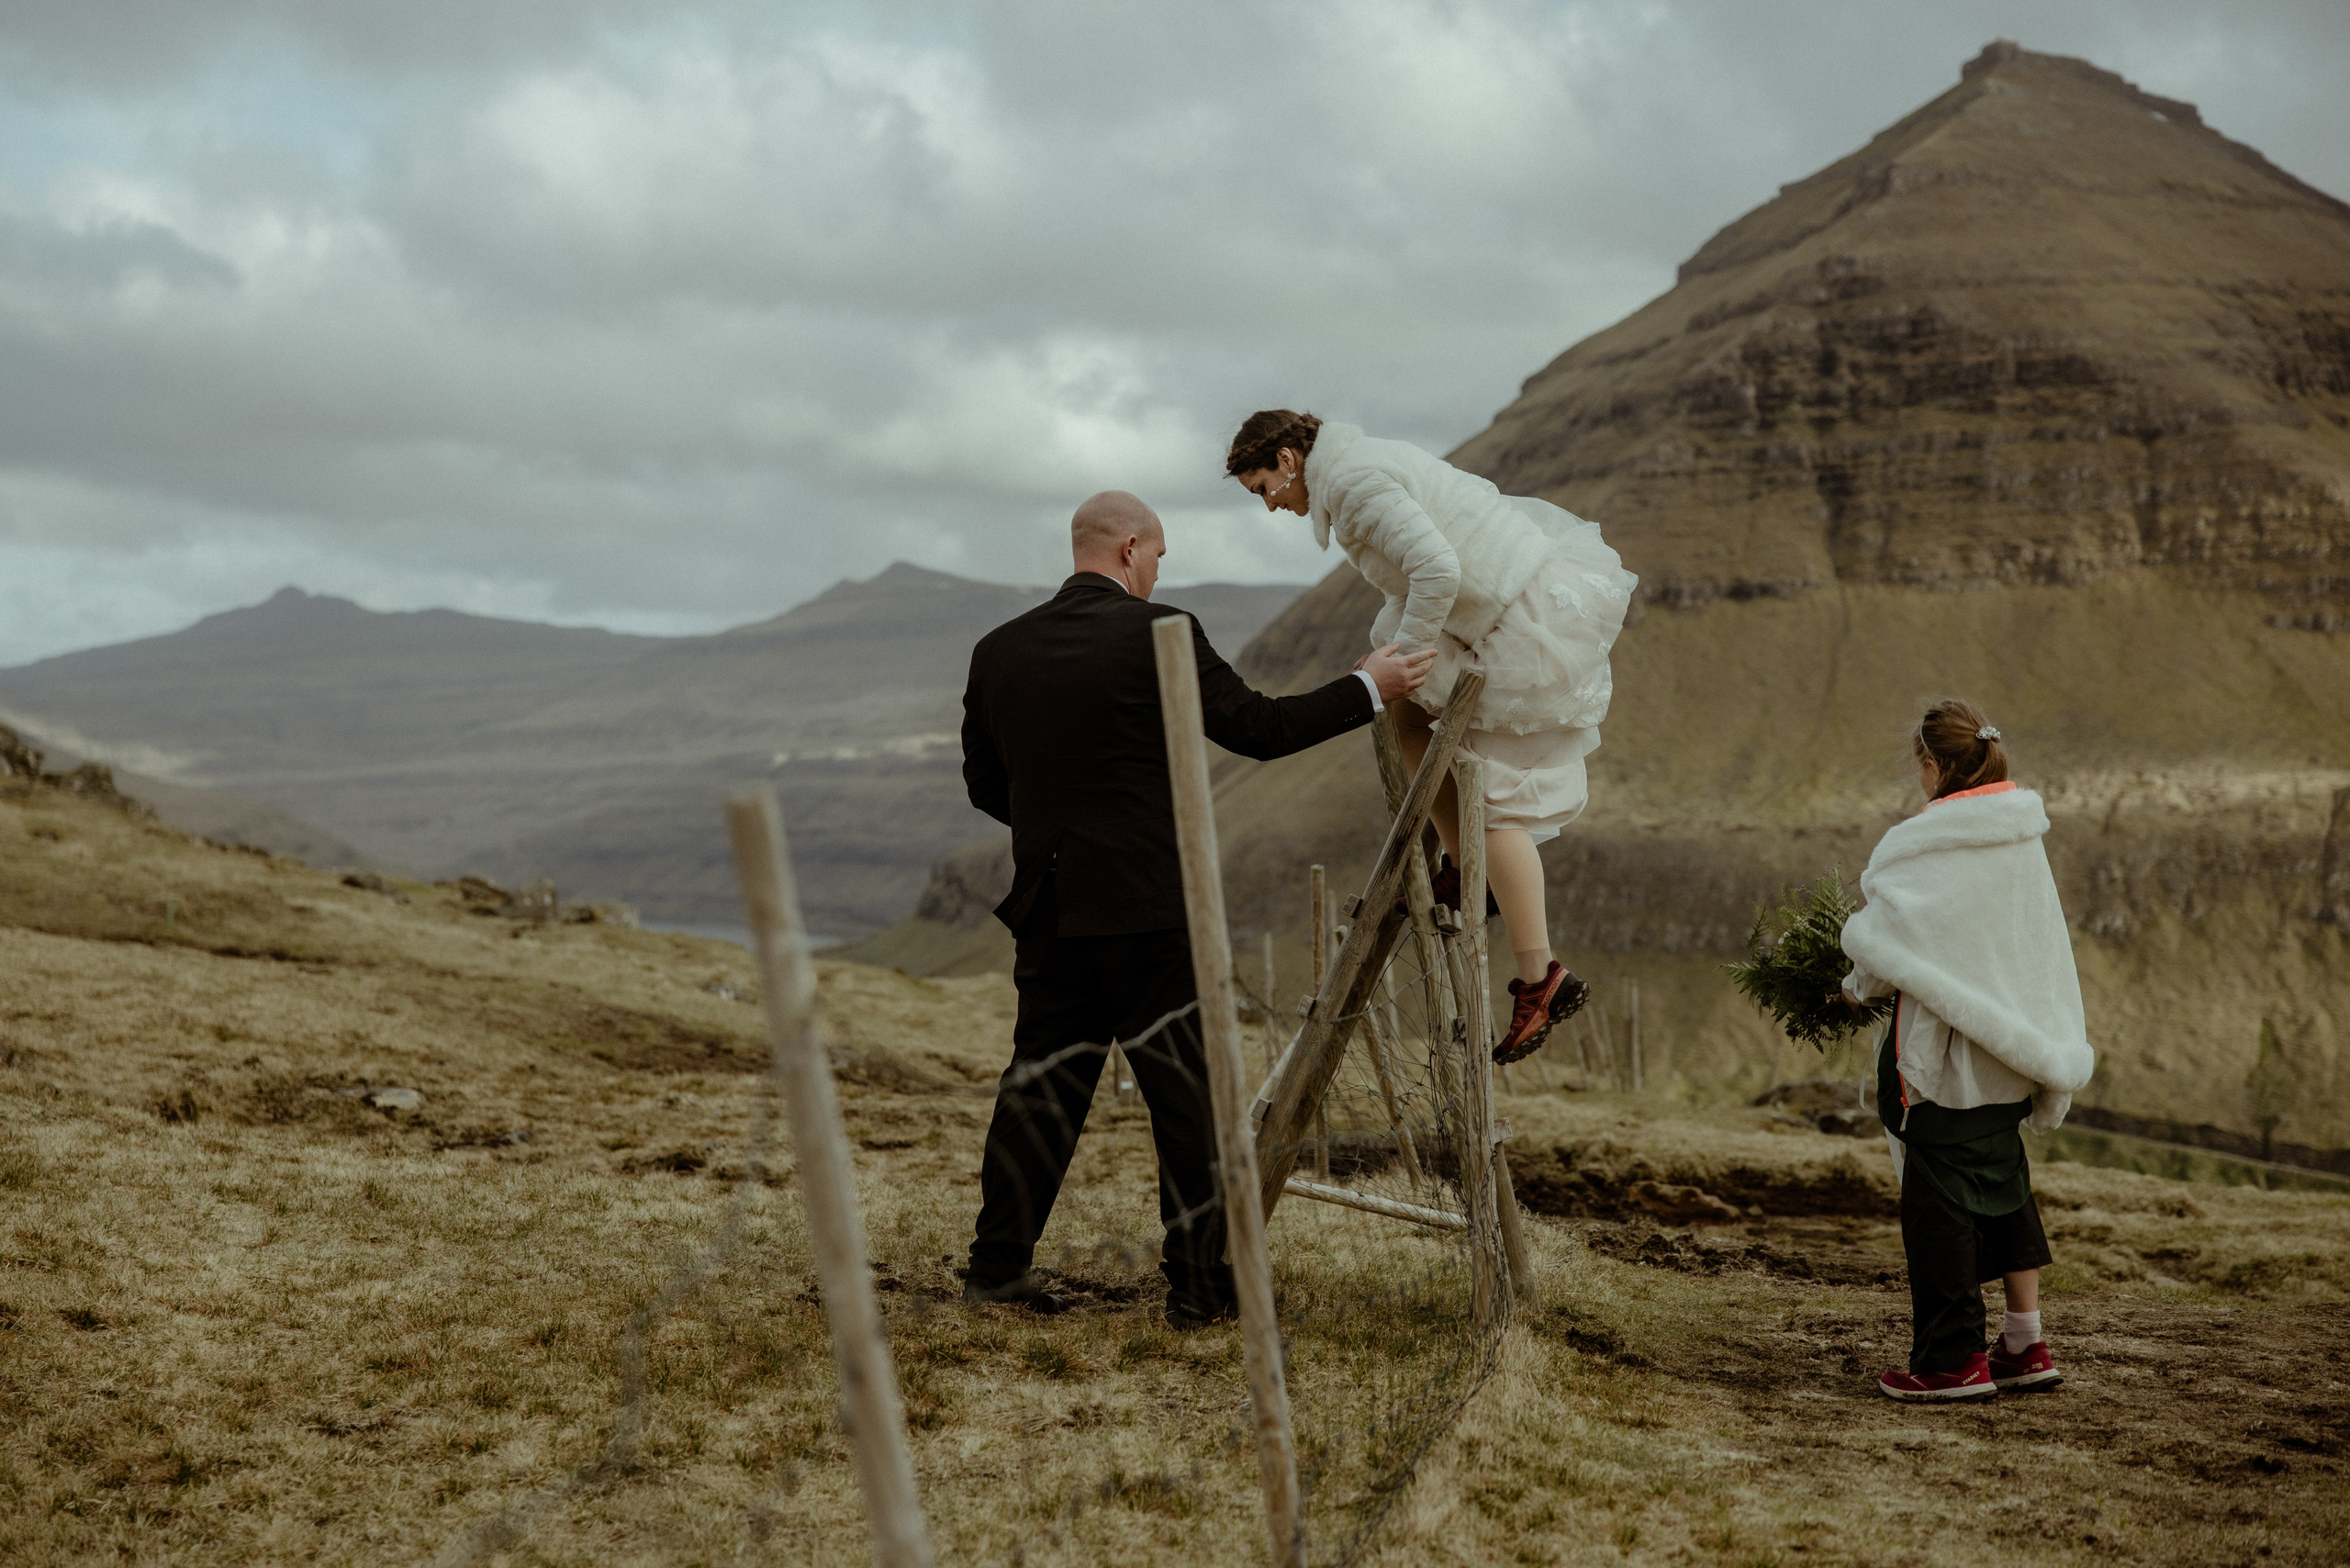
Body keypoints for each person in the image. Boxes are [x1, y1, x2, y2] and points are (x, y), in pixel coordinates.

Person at [960, 489, 1434, 1328]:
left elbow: (986, 786)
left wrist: (1063, 828)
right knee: (1186, 1100)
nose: (1156, 572)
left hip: (1052, 906)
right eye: (1159, 557)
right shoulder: (1160, 634)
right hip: (1150, 908)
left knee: (1039, 1090)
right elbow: (1258, 728)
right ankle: (1199, 1291)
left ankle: (996, 1271)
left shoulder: (999, 650)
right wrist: (1369, 686)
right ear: (1132, 548)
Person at [1225, 410, 1637, 1061]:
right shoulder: (1355, 471)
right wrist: (1394, 665)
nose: (1271, 507)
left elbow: (1437, 569)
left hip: (1515, 622)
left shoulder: (1356, 486)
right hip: (1499, 607)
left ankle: (1543, 978)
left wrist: (1403, 660)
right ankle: (1464, 863)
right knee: (1407, 718)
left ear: (1287, 459)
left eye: (1262, 489)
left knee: (1493, 798)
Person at [1840, 700, 2097, 1401]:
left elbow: (1885, 943)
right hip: (2010, 1050)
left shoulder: (1925, 844)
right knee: (2005, 1182)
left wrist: (1850, 984)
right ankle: (2023, 1340)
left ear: (1932, 766)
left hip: (1943, 1062)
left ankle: (1951, 1360)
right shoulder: (2019, 830)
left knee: (1939, 1204)